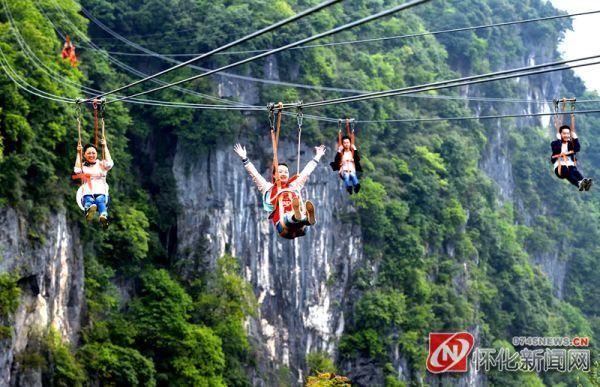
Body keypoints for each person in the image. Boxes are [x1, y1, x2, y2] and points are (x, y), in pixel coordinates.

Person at [233, 143, 326, 239]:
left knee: (301, 224)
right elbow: (255, 175)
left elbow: (307, 172)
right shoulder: (268, 188)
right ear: (274, 175)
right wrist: (244, 158)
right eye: (280, 172)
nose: (283, 174)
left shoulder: (294, 186)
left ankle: (304, 219)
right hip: (283, 227)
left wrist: (318, 155)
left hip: (301, 229)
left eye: (286, 172)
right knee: (289, 218)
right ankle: (298, 217)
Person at [73, 139, 113, 225]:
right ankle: (89, 210)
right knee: (89, 200)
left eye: (93, 153)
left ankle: (103, 215)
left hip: (101, 192)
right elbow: (77, 170)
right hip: (87, 192)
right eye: (88, 153)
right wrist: (78, 153)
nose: (91, 155)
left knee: (100, 200)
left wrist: (105, 146)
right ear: (84, 155)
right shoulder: (82, 166)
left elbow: (110, 163)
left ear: (96, 154)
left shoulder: (101, 164)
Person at [551, 124, 592, 191]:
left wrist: (575, 138)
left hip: (570, 165)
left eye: (567, 134)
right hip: (560, 167)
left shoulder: (570, 144)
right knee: (567, 171)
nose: (566, 135)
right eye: (564, 133)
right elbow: (557, 150)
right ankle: (579, 184)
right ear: (560, 134)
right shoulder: (554, 143)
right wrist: (559, 140)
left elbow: (577, 149)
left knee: (574, 171)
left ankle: (584, 183)